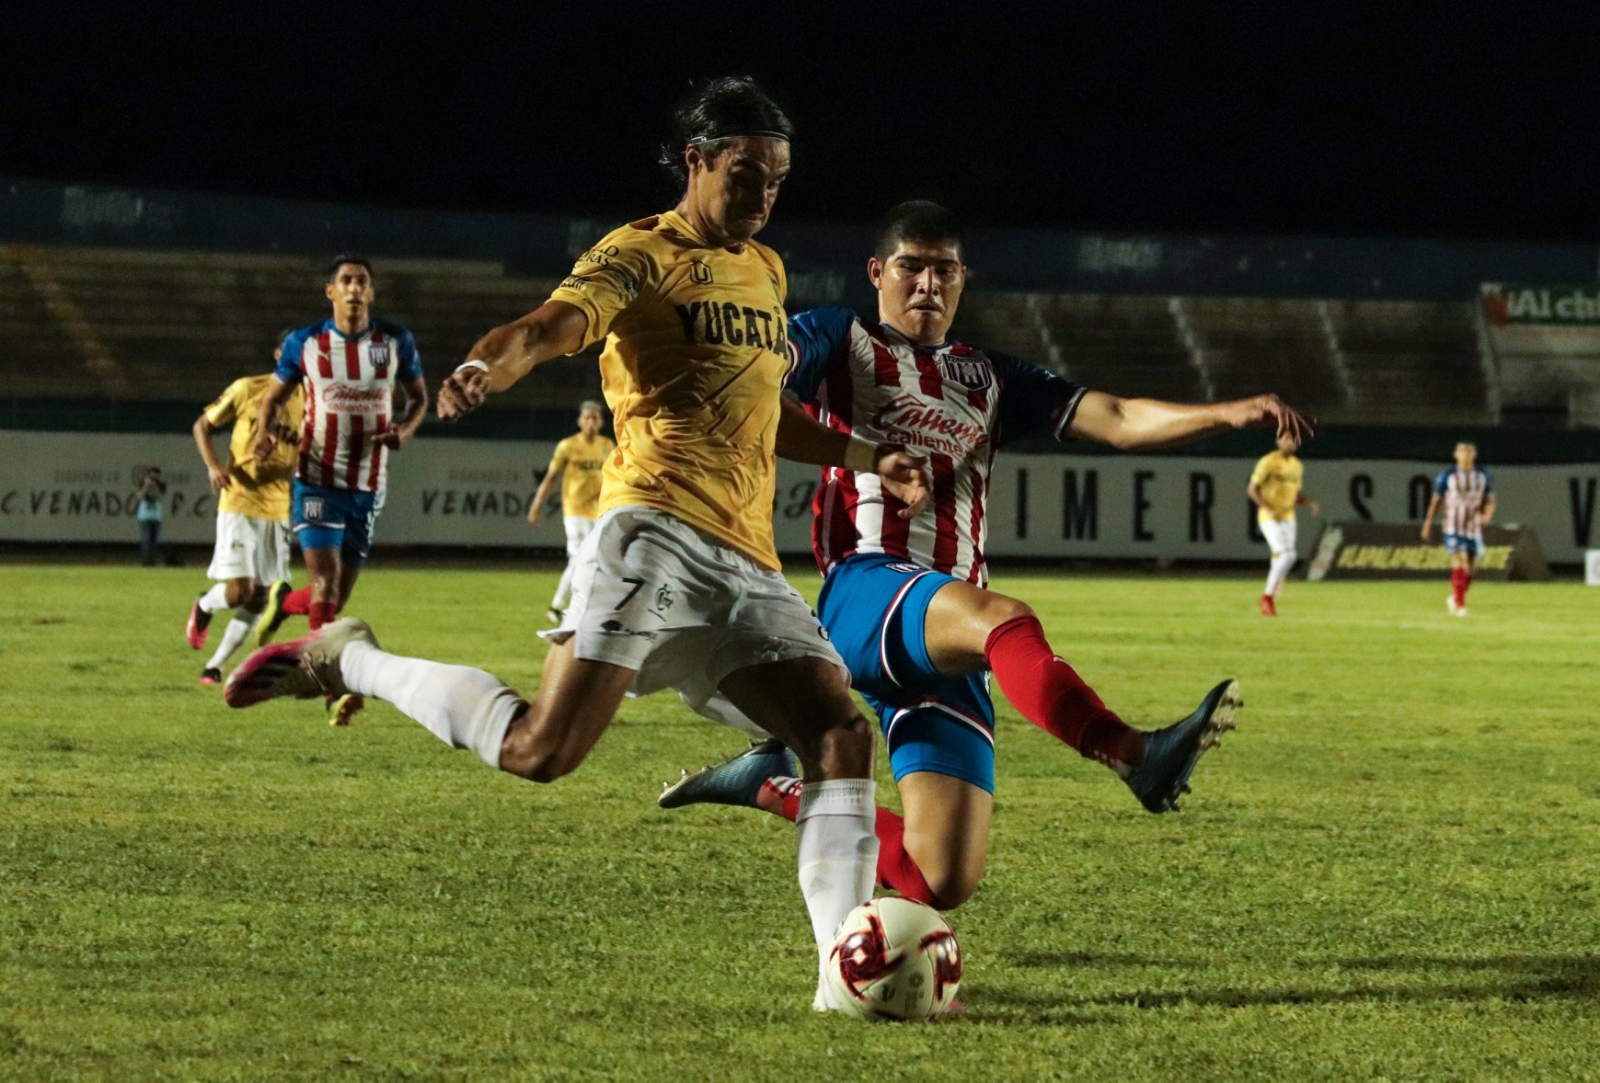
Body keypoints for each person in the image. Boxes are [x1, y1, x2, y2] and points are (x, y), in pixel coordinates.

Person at [223, 77, 930, 1012]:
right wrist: (487, 363)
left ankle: (842, 981)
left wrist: (869, 452)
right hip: (654, 537)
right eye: (747, 173)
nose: (764, 194)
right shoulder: (640, 253)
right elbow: (547, 327)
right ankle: (356, 660)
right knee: (541, 750)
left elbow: (763, 413)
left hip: (746, 558)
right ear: (697, 161)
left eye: (779, 178)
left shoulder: (764, 269)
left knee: (838, 735)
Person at [659, 201, 1312, 914]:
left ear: (964, 279)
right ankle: (1130, 752)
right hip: (867, 591)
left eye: (944, 270)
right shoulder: (838, 338)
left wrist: (1225, 413)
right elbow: (758, 386)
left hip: (949, 633)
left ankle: (768, 783)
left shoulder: (991, 376)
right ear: (878, 272)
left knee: (938, 876)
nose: (927, 285)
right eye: (911, 267)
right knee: (1007, 621)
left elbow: (1118, 418)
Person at [251, 256, 428, 723]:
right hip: (316, 477)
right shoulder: (305, 342)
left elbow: (419, 397)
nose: (354, 288)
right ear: (330, 291)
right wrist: (265, 432)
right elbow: (273, 397)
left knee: (331, 598)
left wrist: (406, 430)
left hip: (369, 484)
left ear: (371, 293)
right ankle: (331, 688)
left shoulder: (395, 342)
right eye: (345, 281)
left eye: (362, 282)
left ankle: (284, 601)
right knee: (327, 584)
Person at [184, 332, 306, 683]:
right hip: (239, 500)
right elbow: (202, 425)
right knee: (240, 591)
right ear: (278, 354)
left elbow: (307, 456)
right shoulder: (247, 388)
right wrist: (213, 466)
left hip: (278, 507)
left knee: (261, 597)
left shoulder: (312, 403)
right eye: (291, 352)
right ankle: (206, 605)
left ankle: (215, 666)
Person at [527, 400, 615, 622]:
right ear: (579, 421)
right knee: (578, 558)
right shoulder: (568, 446)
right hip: (575, 509)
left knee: (596, 561)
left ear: (601, 421)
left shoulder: (607, 446)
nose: (591, 422)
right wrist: (536, 506)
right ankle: (559, 606)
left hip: (599, 510)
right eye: (587, 418)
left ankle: (573, 607)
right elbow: (550, 477)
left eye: (595, 418)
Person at [1420, 441, 1495, 617]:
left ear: (1474, 454)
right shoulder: (1448, 475)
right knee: (1459, 558)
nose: (1465, 454)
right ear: (1456, 455)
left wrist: (1487, 515)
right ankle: (1461, 606)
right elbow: (1436, 501)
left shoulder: (1483, 474)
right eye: (1462, 451)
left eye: (1469, 451)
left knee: (1471, 568)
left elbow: (1490, 499)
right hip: (1453, 526)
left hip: (1473, 527)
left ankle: (1455, 596)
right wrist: (1427, 523)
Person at [1247, 432, 1318, 616]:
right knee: (1288, 555)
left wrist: (1308, 502)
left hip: (1288, 517)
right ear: (1278, 441)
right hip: (1269, 517)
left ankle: (1268, 602)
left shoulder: (1297, 466)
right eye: (1287, 439)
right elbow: (1252, 490)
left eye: (1295, 439)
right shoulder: (1268, 461)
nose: (1291, 443)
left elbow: (1293, 495)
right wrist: (1266, 507)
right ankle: (1268, 596)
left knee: (1279, 559)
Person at [133, 468, 166, 566]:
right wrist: (146, 487)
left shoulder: (161, 484)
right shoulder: (143, 483)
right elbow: (139, 496)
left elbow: (161, 496)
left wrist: (155, 486)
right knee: (146, 539)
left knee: (154, 540)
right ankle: (145, 560)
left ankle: (153, 561)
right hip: (145, 515)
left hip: (156, 515)